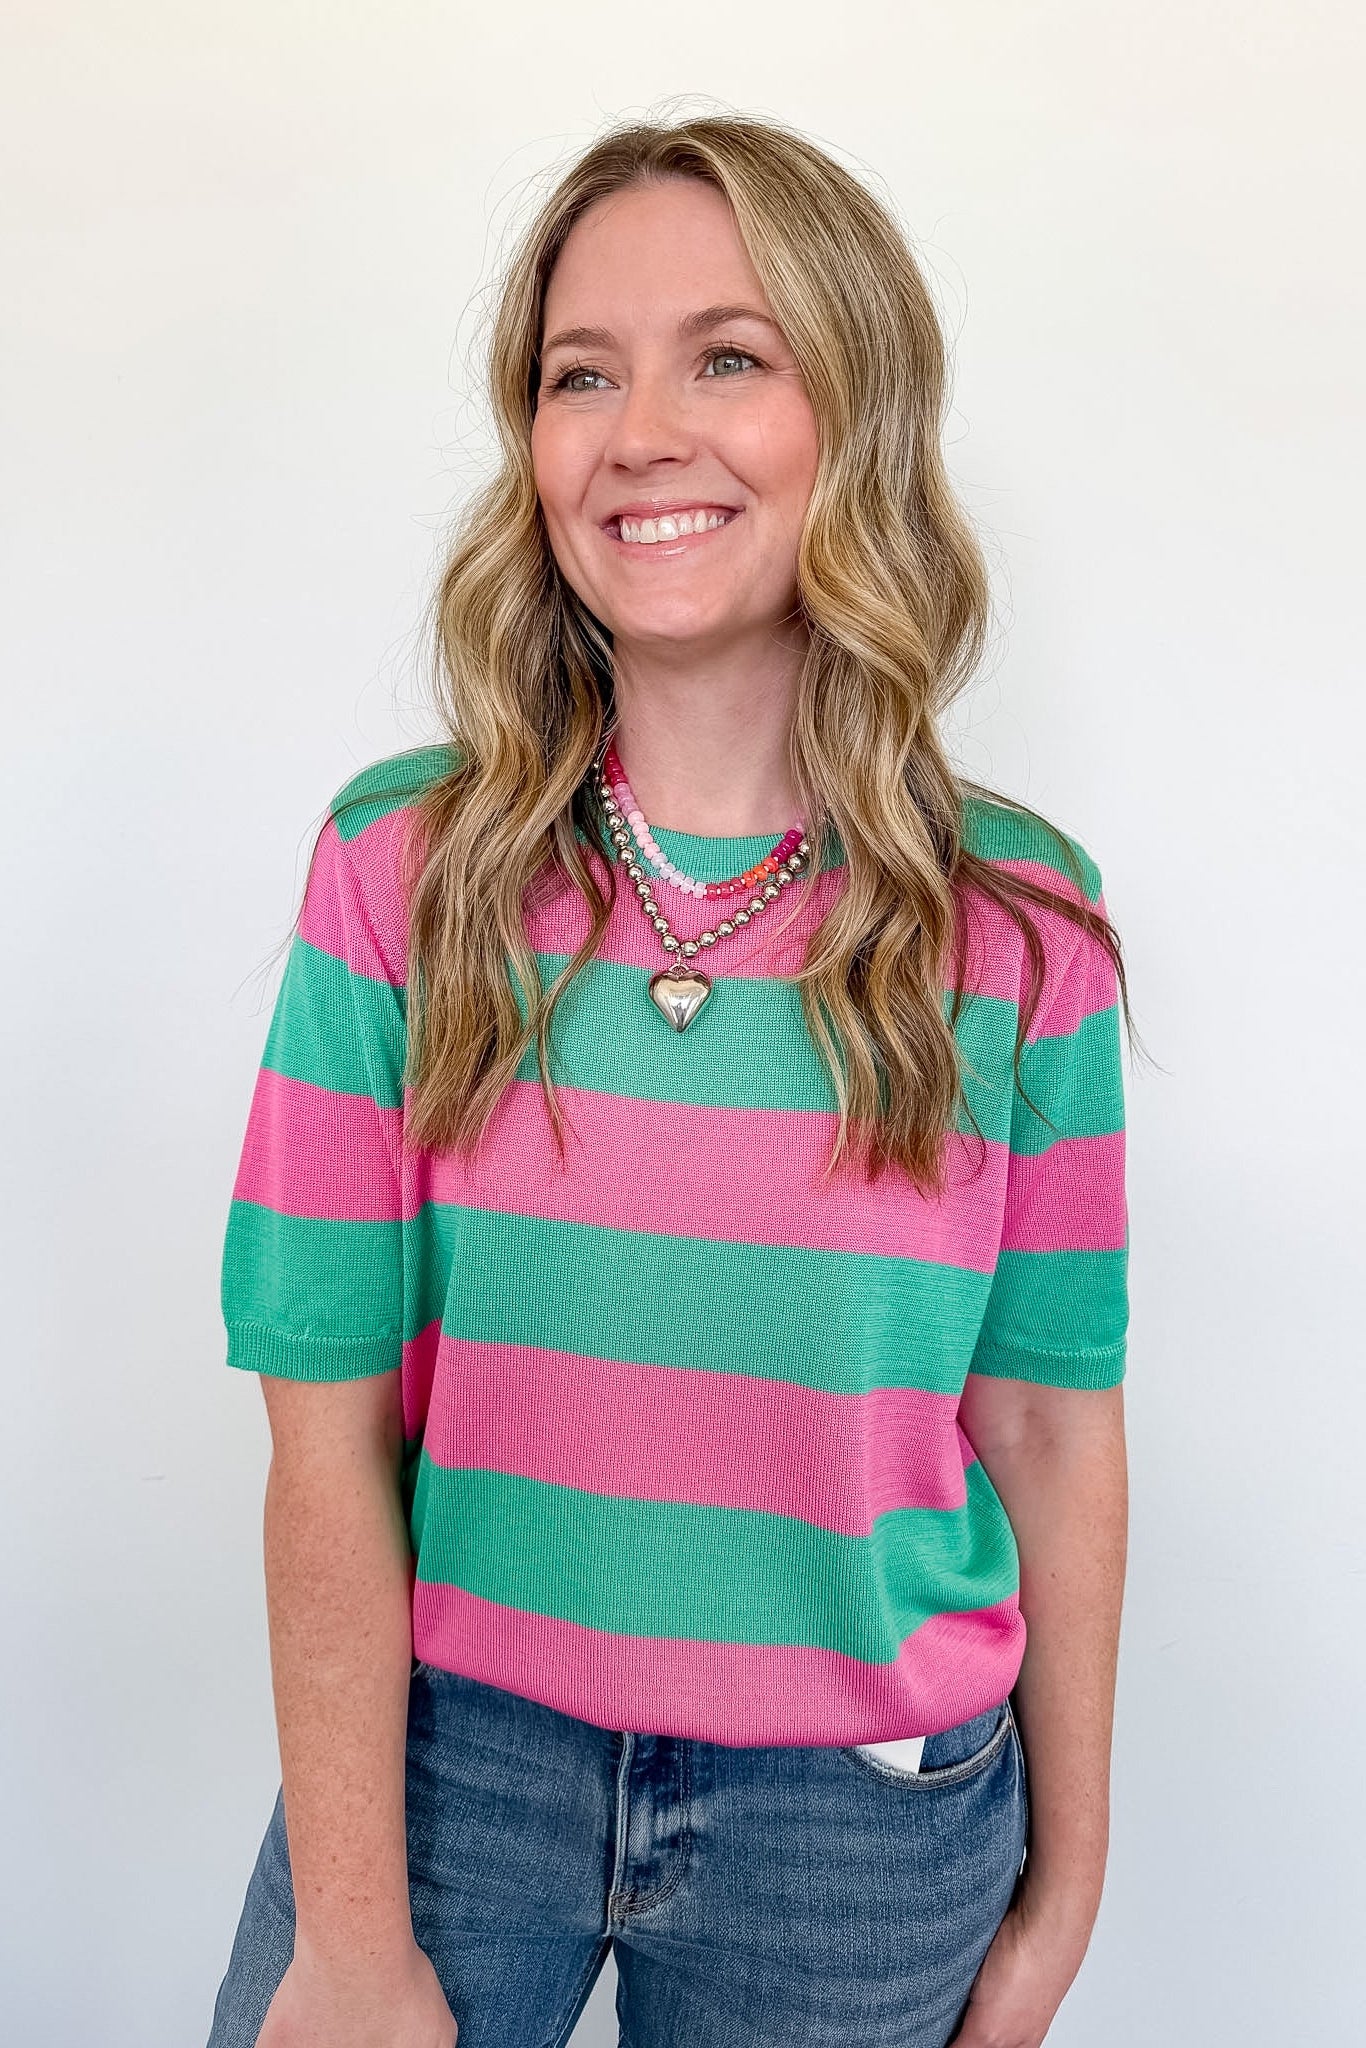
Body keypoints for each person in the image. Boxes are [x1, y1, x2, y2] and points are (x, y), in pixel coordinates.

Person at [207, 111, 1132, 2048]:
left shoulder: (1017, 922)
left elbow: (1046, 1427)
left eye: (728, 354)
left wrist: (1064, 1895)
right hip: (447, 1771)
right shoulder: (399, 875)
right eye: (577, 373)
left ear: (850, 412)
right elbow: (321, 1432)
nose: (639, 428)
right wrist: (358, 1941)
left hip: (860, 1825)